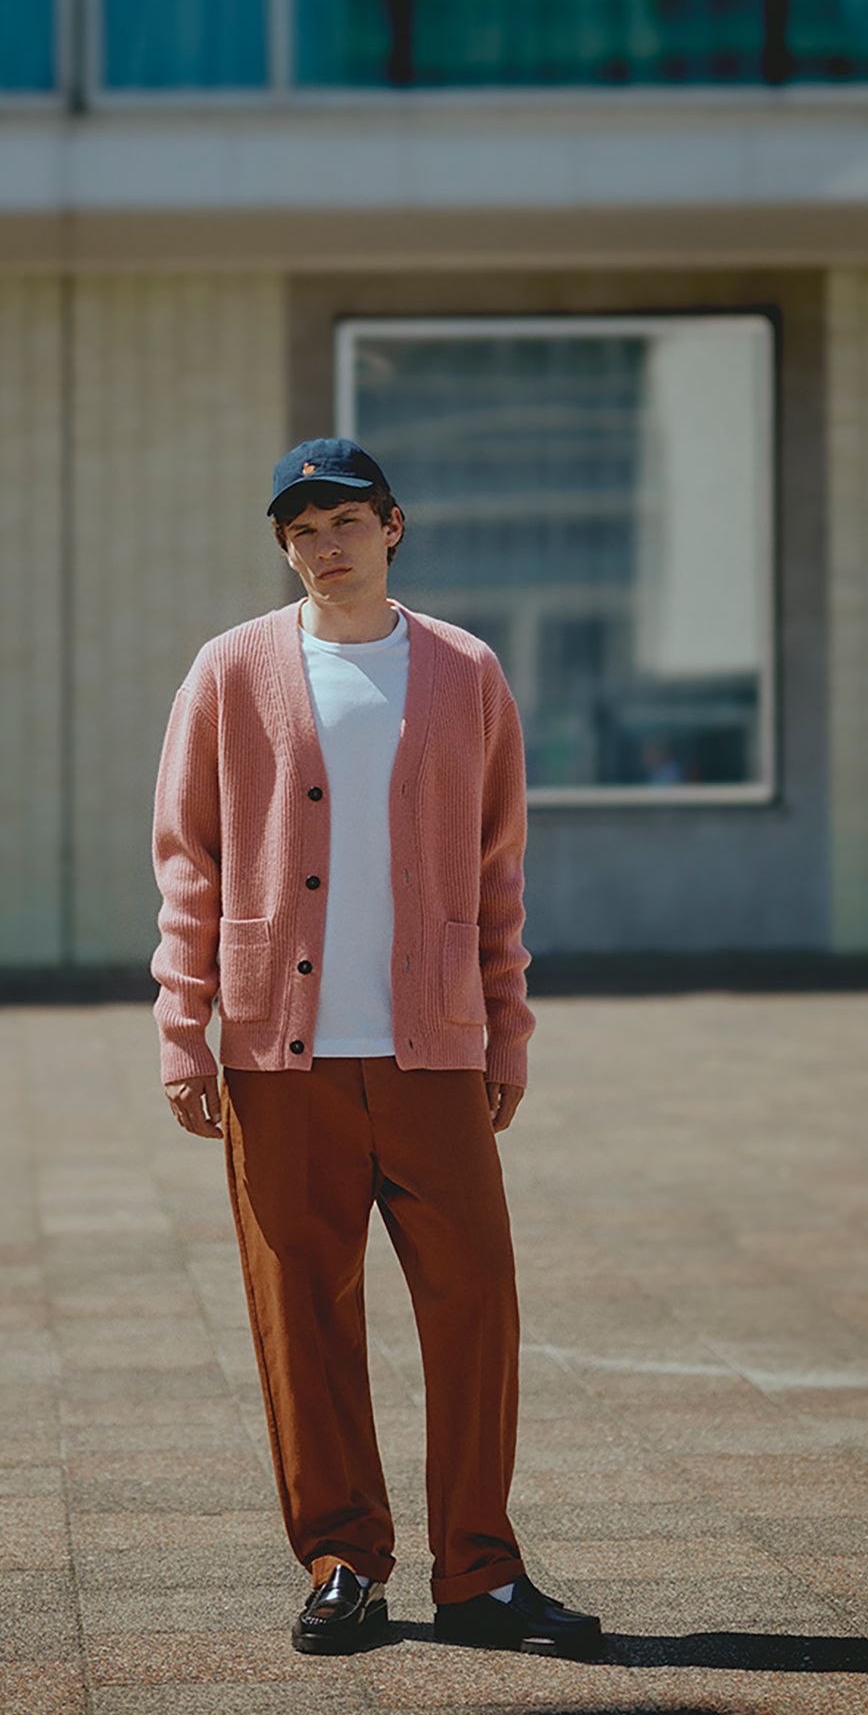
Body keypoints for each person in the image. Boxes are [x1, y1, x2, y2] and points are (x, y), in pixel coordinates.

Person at [149, 436, 605, 1662]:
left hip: (432, 1052)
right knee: (301, 1311)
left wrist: (506, 1025)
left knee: (476, 1302)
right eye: (301, 531)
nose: (324, 545)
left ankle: (482, 1574)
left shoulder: (462, 671)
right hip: (274, 1054)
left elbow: (498, 870)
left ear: (393, 526)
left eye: (345, 520)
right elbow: (188, 862)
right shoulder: (233, 670)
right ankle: (345, 1561)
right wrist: (182, 1030)